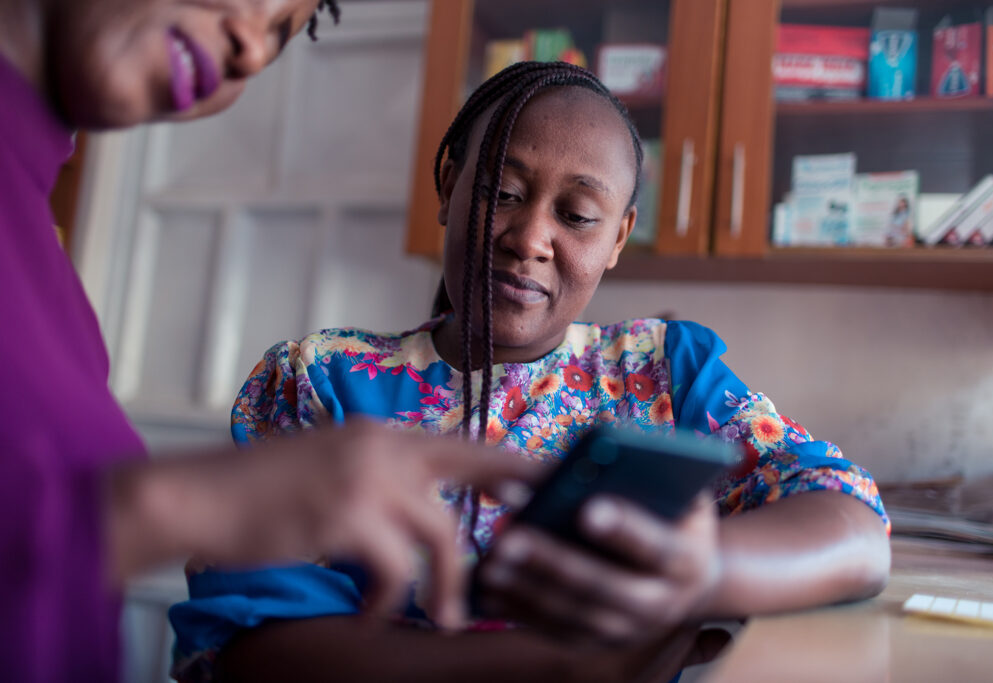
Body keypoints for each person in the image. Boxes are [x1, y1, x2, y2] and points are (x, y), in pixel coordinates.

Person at [170, 62, 891, 682]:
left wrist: (704, 571)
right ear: (450, 183)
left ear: (617, 239)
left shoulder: (659, 375)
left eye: (577, 215)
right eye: (504, 194)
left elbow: (852, 520)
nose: (529, 239)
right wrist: (559, 665)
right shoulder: (318, 381)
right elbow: (250, 643)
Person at [0, 2, 536, 681]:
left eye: (283, 34)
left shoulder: (46, 264)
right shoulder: (315, 379)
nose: (252, 49)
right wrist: (173, 505)